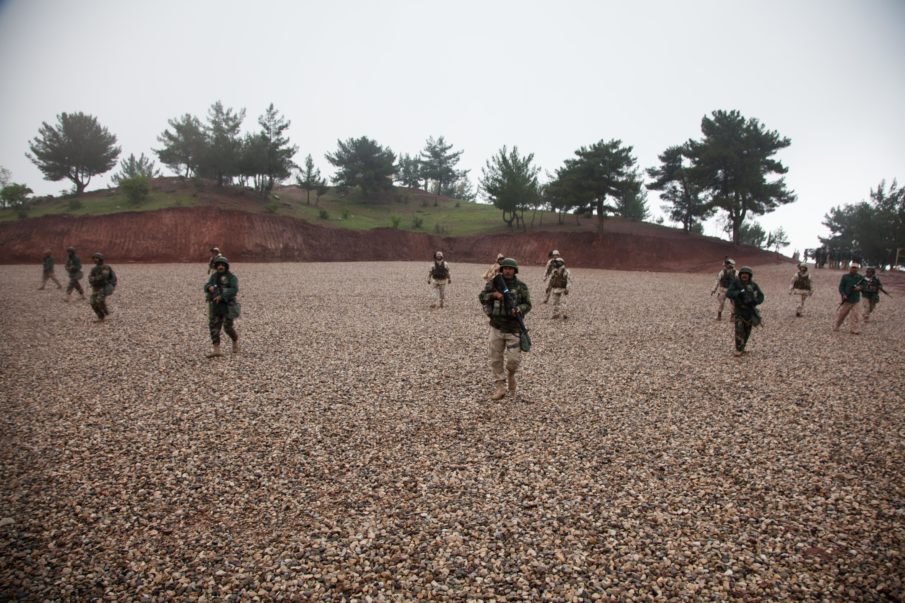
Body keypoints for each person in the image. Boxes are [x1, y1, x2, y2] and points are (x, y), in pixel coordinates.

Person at [479, 258, 531, 400]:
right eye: (505, 268)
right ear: (502, 270)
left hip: (513, 328)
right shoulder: (494, 284)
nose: (508, 271)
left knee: (514, 360)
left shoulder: (521, 286)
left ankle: (511, 374)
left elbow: (528, 304)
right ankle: (500, 386)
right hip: (496, 327)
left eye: (510, 268)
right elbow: (482, 297)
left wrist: (519, 309)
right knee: (495, 359)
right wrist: (493, 295)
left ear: (515, 270)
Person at [205, 255, 240, 357]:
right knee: (214, 326)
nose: (220, 267)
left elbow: (234, 289)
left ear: (226, 266)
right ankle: (216, 349)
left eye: (222, 265)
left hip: (228, 305)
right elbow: (206, 285)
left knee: (227, 327)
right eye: (218, 265)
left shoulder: (231, 277)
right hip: (215, 306)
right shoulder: (214, 277)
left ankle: (235, 340)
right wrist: (209, 287)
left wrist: (222, 296)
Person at [726, 266, 764, 356]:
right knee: (739, 330)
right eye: (743, 274)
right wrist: (738, 293)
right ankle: (738, 349)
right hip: (739, 310)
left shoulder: (754, 285)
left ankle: (743, 347)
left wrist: (755, 301)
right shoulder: (736, 284)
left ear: (749, 276)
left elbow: (761, 296)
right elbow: (729, 293)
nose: (744, 276)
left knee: (747, 331)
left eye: (746, 274)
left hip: (750, 311)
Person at [834, 262, 863, 334]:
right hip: (847, 299)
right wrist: (843, 294)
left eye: (855, 268)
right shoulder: (845, 276)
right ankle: (837, 325)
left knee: (856, 315)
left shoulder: (860, 277)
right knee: (842, 314)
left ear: (857, 269)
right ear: (850, 268)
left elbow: (864, 286)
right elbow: (841, 287)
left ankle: (854, 329)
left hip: (856, 300)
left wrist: (859, 288)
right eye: (852, 268)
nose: (854, 269)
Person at [87, 252, 117, 322]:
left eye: (96, 258)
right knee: (92, 302)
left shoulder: (105, 267)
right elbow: (90, 277)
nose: (95, 260)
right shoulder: (93, 269)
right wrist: (93, 279)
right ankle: (100, 316)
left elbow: (104, 276)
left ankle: (107, 314)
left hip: (103, 287)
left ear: (100, 259)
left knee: (100, 301)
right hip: (95, 288)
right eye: (94, 258)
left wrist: (94, 278)